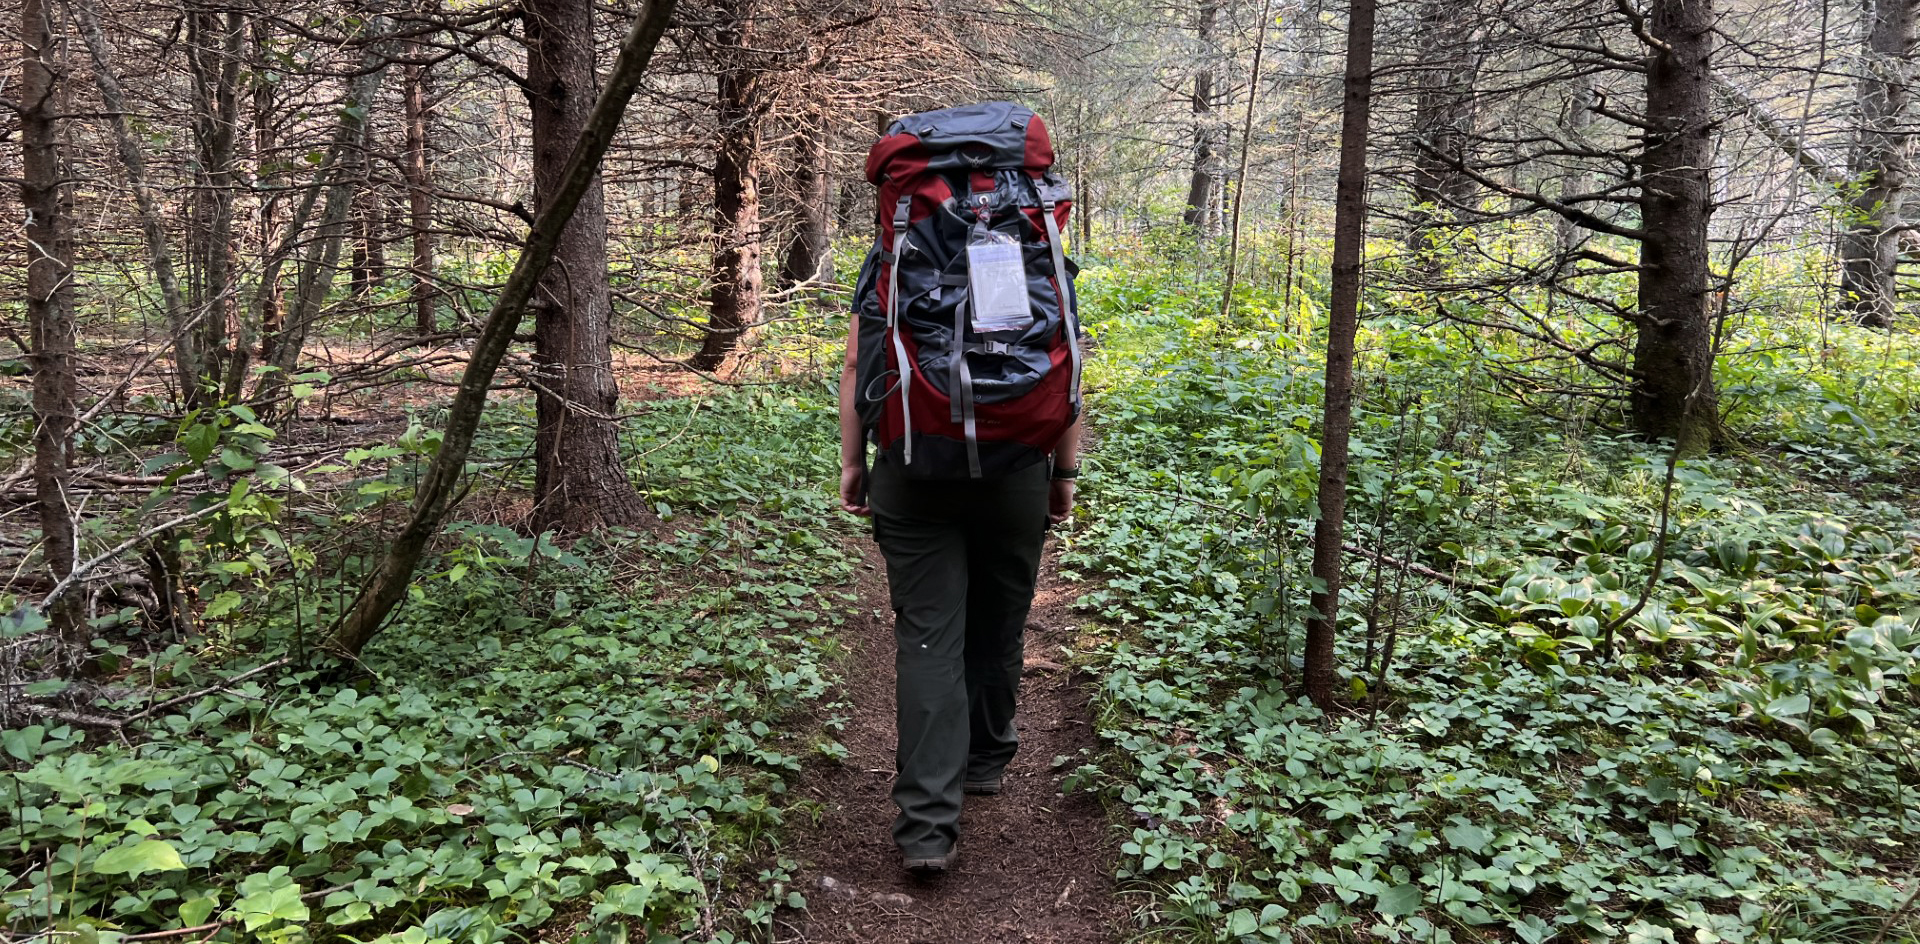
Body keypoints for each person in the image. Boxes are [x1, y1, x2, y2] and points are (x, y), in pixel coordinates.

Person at [837, 328, 1082, 873]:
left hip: (911, 464)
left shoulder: (895, 244)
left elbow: (857, 361)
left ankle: (926, 829)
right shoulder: (1033, 246)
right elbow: (1067, 367)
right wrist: (1063, 474)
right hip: (1016, 468)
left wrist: (854, 463)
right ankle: (985, 759)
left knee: (928, 638)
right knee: (999, 621)